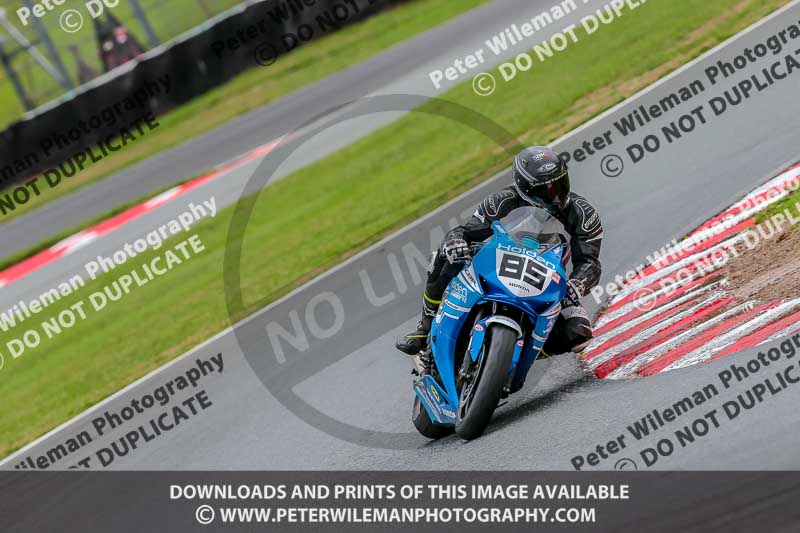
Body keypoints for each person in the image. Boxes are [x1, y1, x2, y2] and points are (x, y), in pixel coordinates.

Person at [395, 146, 602, 361]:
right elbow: (467, 230)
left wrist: (577, 284)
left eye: (560, 184)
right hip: (494, 266)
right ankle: (425, 327)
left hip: (543, 280)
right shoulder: (501, 201)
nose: (555, 196)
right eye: (544, 190)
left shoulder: (583, 214)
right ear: (524, 187)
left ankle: (520, 354)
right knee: (444, 256)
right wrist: (456, 241)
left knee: (578, 333)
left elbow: (590, 262)